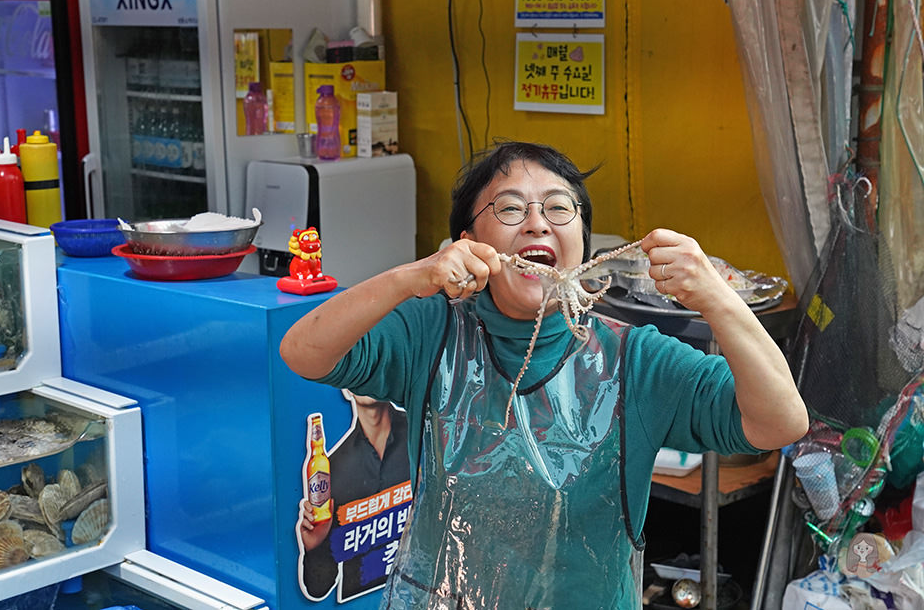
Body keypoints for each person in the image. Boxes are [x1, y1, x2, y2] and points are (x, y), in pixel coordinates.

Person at [280, 141, 809, 608]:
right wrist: (410, 277)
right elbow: (303, 352)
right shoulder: (430, 333)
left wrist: (716, 297)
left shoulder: (636, 360)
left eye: (559, 208)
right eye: (510, 208)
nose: (538, 222)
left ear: (583, 239)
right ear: (468, 240)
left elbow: (781, 423)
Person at [297, 392, 412, 603]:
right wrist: (316, 547)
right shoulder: (333, 470)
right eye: (358, 361)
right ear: (346, 389)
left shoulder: (423, 436)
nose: (367, 372)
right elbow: (319, 588)